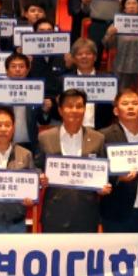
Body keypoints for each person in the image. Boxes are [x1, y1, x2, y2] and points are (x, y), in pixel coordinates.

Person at [37, 88, 107, 234]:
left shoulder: (98, 138)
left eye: (79, 106)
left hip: (87, 214)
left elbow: (104, 174)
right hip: (54, 214)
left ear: (84, 110)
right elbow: (36, 167)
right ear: (60, 110)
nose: (74, 110)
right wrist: (40, 177)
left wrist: (104, 186)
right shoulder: (45, 137)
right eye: (69, 106)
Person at [99, 88, 138, 233]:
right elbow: (98, 173)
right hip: (115, 212)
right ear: (116, 111)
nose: (131, 107)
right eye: (125, 104)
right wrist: (118, 178)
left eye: (135, 103)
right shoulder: (104, 136)